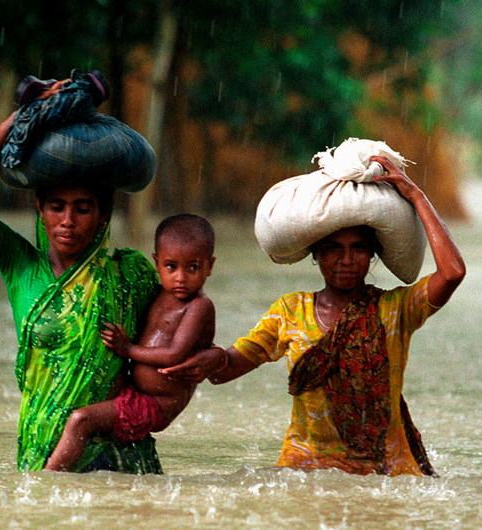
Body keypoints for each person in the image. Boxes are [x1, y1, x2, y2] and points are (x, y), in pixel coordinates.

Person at [161, 155, 465, 476]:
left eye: (358, 248)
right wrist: (211, 359)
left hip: (381, 472)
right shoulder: (290, 312)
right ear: (316, 254)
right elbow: (226, 369)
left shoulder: (395, 310)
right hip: (304, 470)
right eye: (334, 248)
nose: (346, 260)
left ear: (372, 254)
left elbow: (453, 272)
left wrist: (417, 196)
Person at [0, 80, 162, 473]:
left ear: (103, 216)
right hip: (41, 445)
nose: (67, 221)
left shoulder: (131, 274)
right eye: (56, 206)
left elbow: (177, 327)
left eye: (82, 208)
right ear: (39, 210)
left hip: (117, 458)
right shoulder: (20, 266)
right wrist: (26, 115)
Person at [44, 214, 217, 471]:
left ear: (209, 266)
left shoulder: (199, 306)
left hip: (157, 404)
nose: (181, 277)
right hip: (135, 389)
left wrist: (128, 349)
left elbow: (174, 355)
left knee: (81, 420)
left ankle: (45, 480)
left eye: (192, 268)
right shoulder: (158, 293)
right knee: (81, 390)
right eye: (171, 267)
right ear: (157, 263)